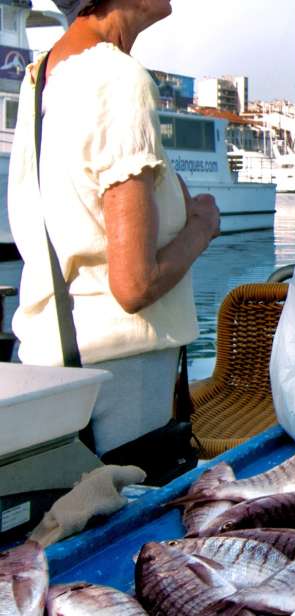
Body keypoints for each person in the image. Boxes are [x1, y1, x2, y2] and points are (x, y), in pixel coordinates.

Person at [7, 0, 220, 455]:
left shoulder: (44, 75)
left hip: (58, 364)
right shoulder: (118, 78)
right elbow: (134, 285)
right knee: (138, 518)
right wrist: (201, 227)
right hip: (122, 376)